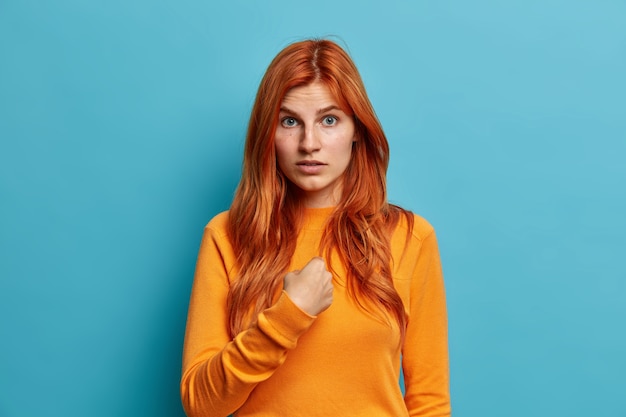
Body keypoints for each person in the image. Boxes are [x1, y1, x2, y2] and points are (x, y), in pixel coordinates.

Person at [180, 38, 450, 417]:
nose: (310, 143)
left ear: (357, 129)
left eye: (329, 120)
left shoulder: (410, 237)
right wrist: (287, 317)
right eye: (290, 121)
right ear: (268, 135)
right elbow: (200, 404)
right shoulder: (226, 235)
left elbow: (430, 403)